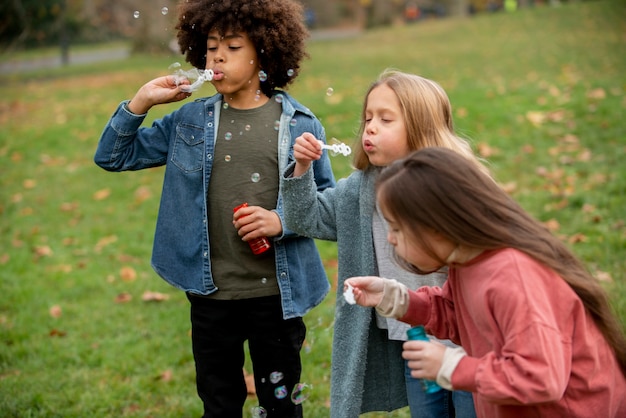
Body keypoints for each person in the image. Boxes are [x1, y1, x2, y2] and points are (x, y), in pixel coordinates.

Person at [94, 1, 336, 417]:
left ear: (264, 51)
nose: (217, 57)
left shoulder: (300, 124)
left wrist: (281, 221)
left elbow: (327, 204)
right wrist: (142, 101)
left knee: (282, 407)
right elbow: (114, 156)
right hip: (211, 296)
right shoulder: (188, 121)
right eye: (210, 47)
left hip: (277, 296)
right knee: (219, 403)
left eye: (233, 46)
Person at [345, 147, 626, 418]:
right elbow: (465, 318)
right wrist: (399, 300)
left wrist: (453, 367)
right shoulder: (469, 263)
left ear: (437, 227)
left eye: (395, 228)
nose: (389, 239)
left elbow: (541, 377)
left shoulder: (513, 278)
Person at [281, 70, 483, 417]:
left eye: (385, 119)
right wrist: (301, 168)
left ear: (422, 127)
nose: (370, 127)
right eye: (368, 118)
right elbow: (307, 218)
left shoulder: (454, 184)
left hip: (470, 339)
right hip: (414, 338)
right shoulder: (360, 189)